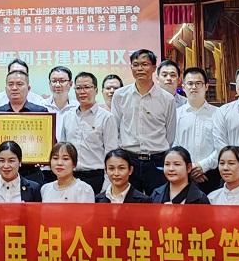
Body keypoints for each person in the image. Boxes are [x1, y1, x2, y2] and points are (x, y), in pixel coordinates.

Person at [110, 49, 177, 194]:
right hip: (129, 160)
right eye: (135, 65)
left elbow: (170, 135)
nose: (140, 68)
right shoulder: (120, 95)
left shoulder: (167, 99)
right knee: (129, 202)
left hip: (157, 161)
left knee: (157, 201)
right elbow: (115, 129)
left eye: (144, 64)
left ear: (154, 68)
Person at [59, 71, 118, 193]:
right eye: (78, 88)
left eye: (87, 87)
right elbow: (63, 150)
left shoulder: (107, 118)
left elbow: (111, 153)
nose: (82, 91)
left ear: (96, 90)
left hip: (96, 178)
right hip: (71, 176)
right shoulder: (68, 116)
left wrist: (106, 185)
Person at [175, 67, 220, 194]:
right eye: (190, 83)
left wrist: (203, 166)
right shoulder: (176, 114)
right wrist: (188, 168)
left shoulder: (218, 114)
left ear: (206, 87)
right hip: (182, 175)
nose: (193, 87)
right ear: (183, 87)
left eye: (198, 83)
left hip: (211, 174)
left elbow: (221, 146)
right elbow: (173, 145)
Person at [44, 66, 77, 132]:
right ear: (49, 83)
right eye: (54, 81)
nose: (57, 85)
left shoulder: (78, 107)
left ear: (70, 84)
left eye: (62, 81)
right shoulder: (41, 106)